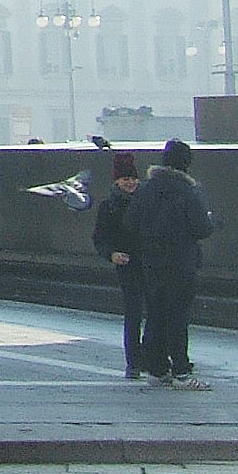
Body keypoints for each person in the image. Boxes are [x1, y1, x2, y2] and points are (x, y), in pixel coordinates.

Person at [128, 137, 217, 386]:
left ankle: (157, 369)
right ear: (185, 164)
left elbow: (131, 223)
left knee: (155, 314)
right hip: (181, 262)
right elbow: (202, 228)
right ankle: (180, 369)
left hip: (152, 262)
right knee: (178, 316)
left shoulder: (145, 189)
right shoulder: (188, 191)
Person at [92, 150, 146, 380]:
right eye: (126, 180)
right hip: (127, 264)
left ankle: (151, 357)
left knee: (153, 313)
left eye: (133, 179)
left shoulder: (147, 201)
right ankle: (133, 362)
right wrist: (111, 253)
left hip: (149, 262)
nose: (130, 183)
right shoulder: (109, 206)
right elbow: (100, 237)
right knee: (133, 314)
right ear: (117, 181)